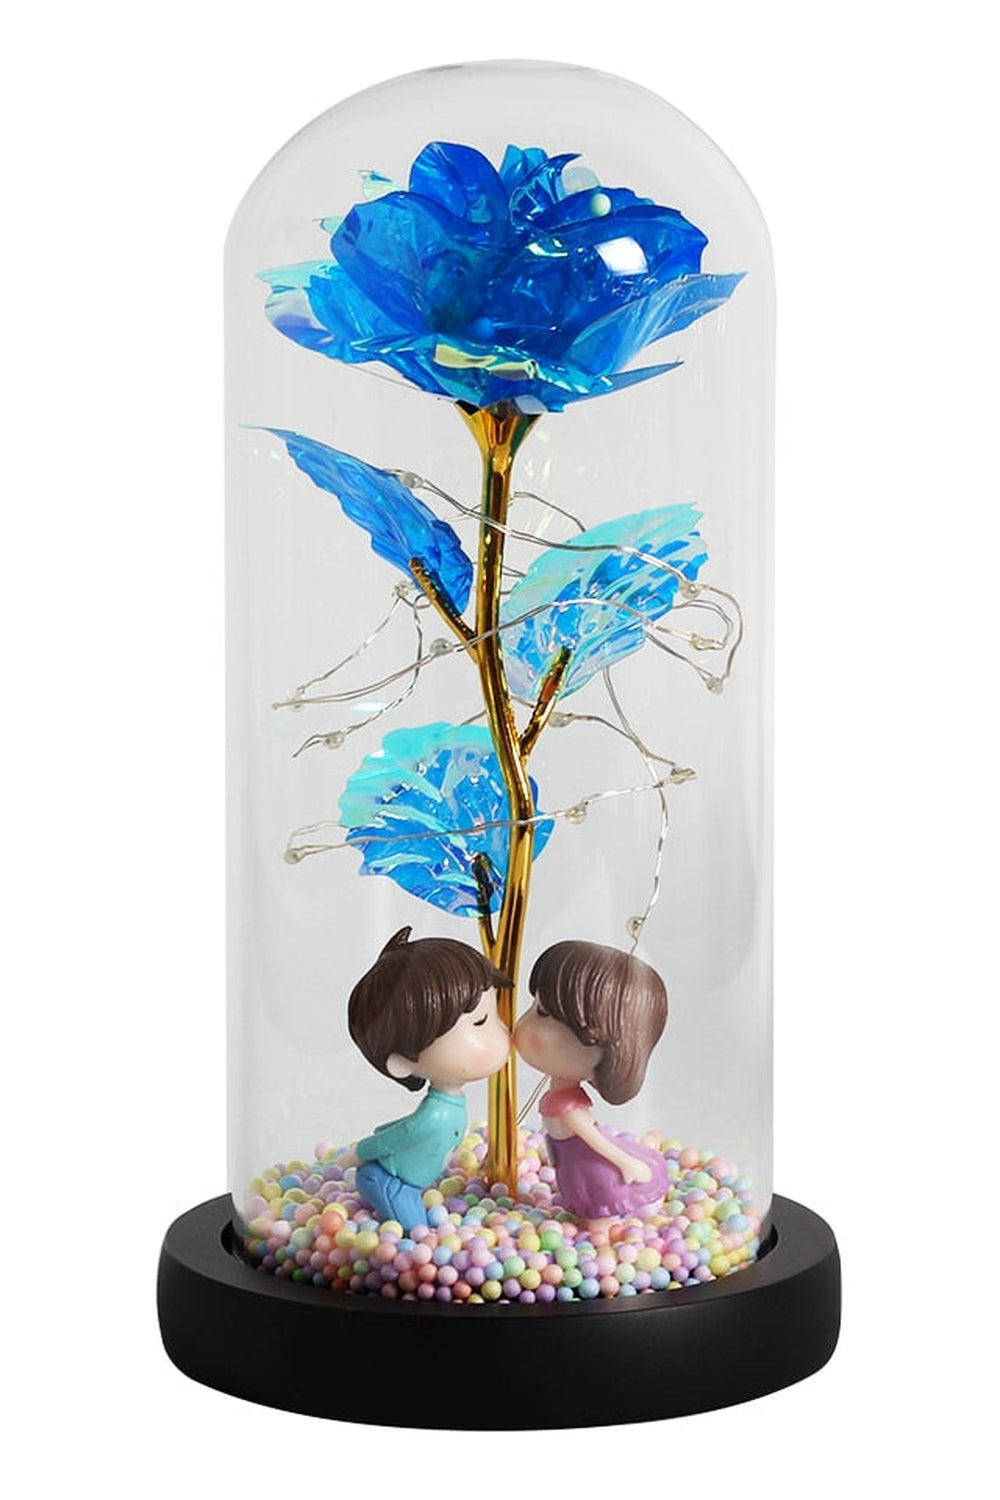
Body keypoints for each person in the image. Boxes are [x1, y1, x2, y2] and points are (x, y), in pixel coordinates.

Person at [340, 926, 511, 1229]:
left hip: (414, 1178)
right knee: (417, 1231)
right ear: (402, 1063)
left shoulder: (445, 1107)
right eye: (480, 1021)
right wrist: (358, 1153)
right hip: (392, 1182)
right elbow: (395, 1138)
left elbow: (403, 1130)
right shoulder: (435, 1115)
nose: (504, 1032)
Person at [514, 939, 669, 1225]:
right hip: (571, 1160)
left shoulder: (569, 1108)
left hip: (590, 1167)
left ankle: (604, 1227)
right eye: (535, 1006)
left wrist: (627, 1163)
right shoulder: (562, 1097)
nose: (521, 1025)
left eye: (543, 1013)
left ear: (597, 1042)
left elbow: (595, 1140)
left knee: (597, 1206)